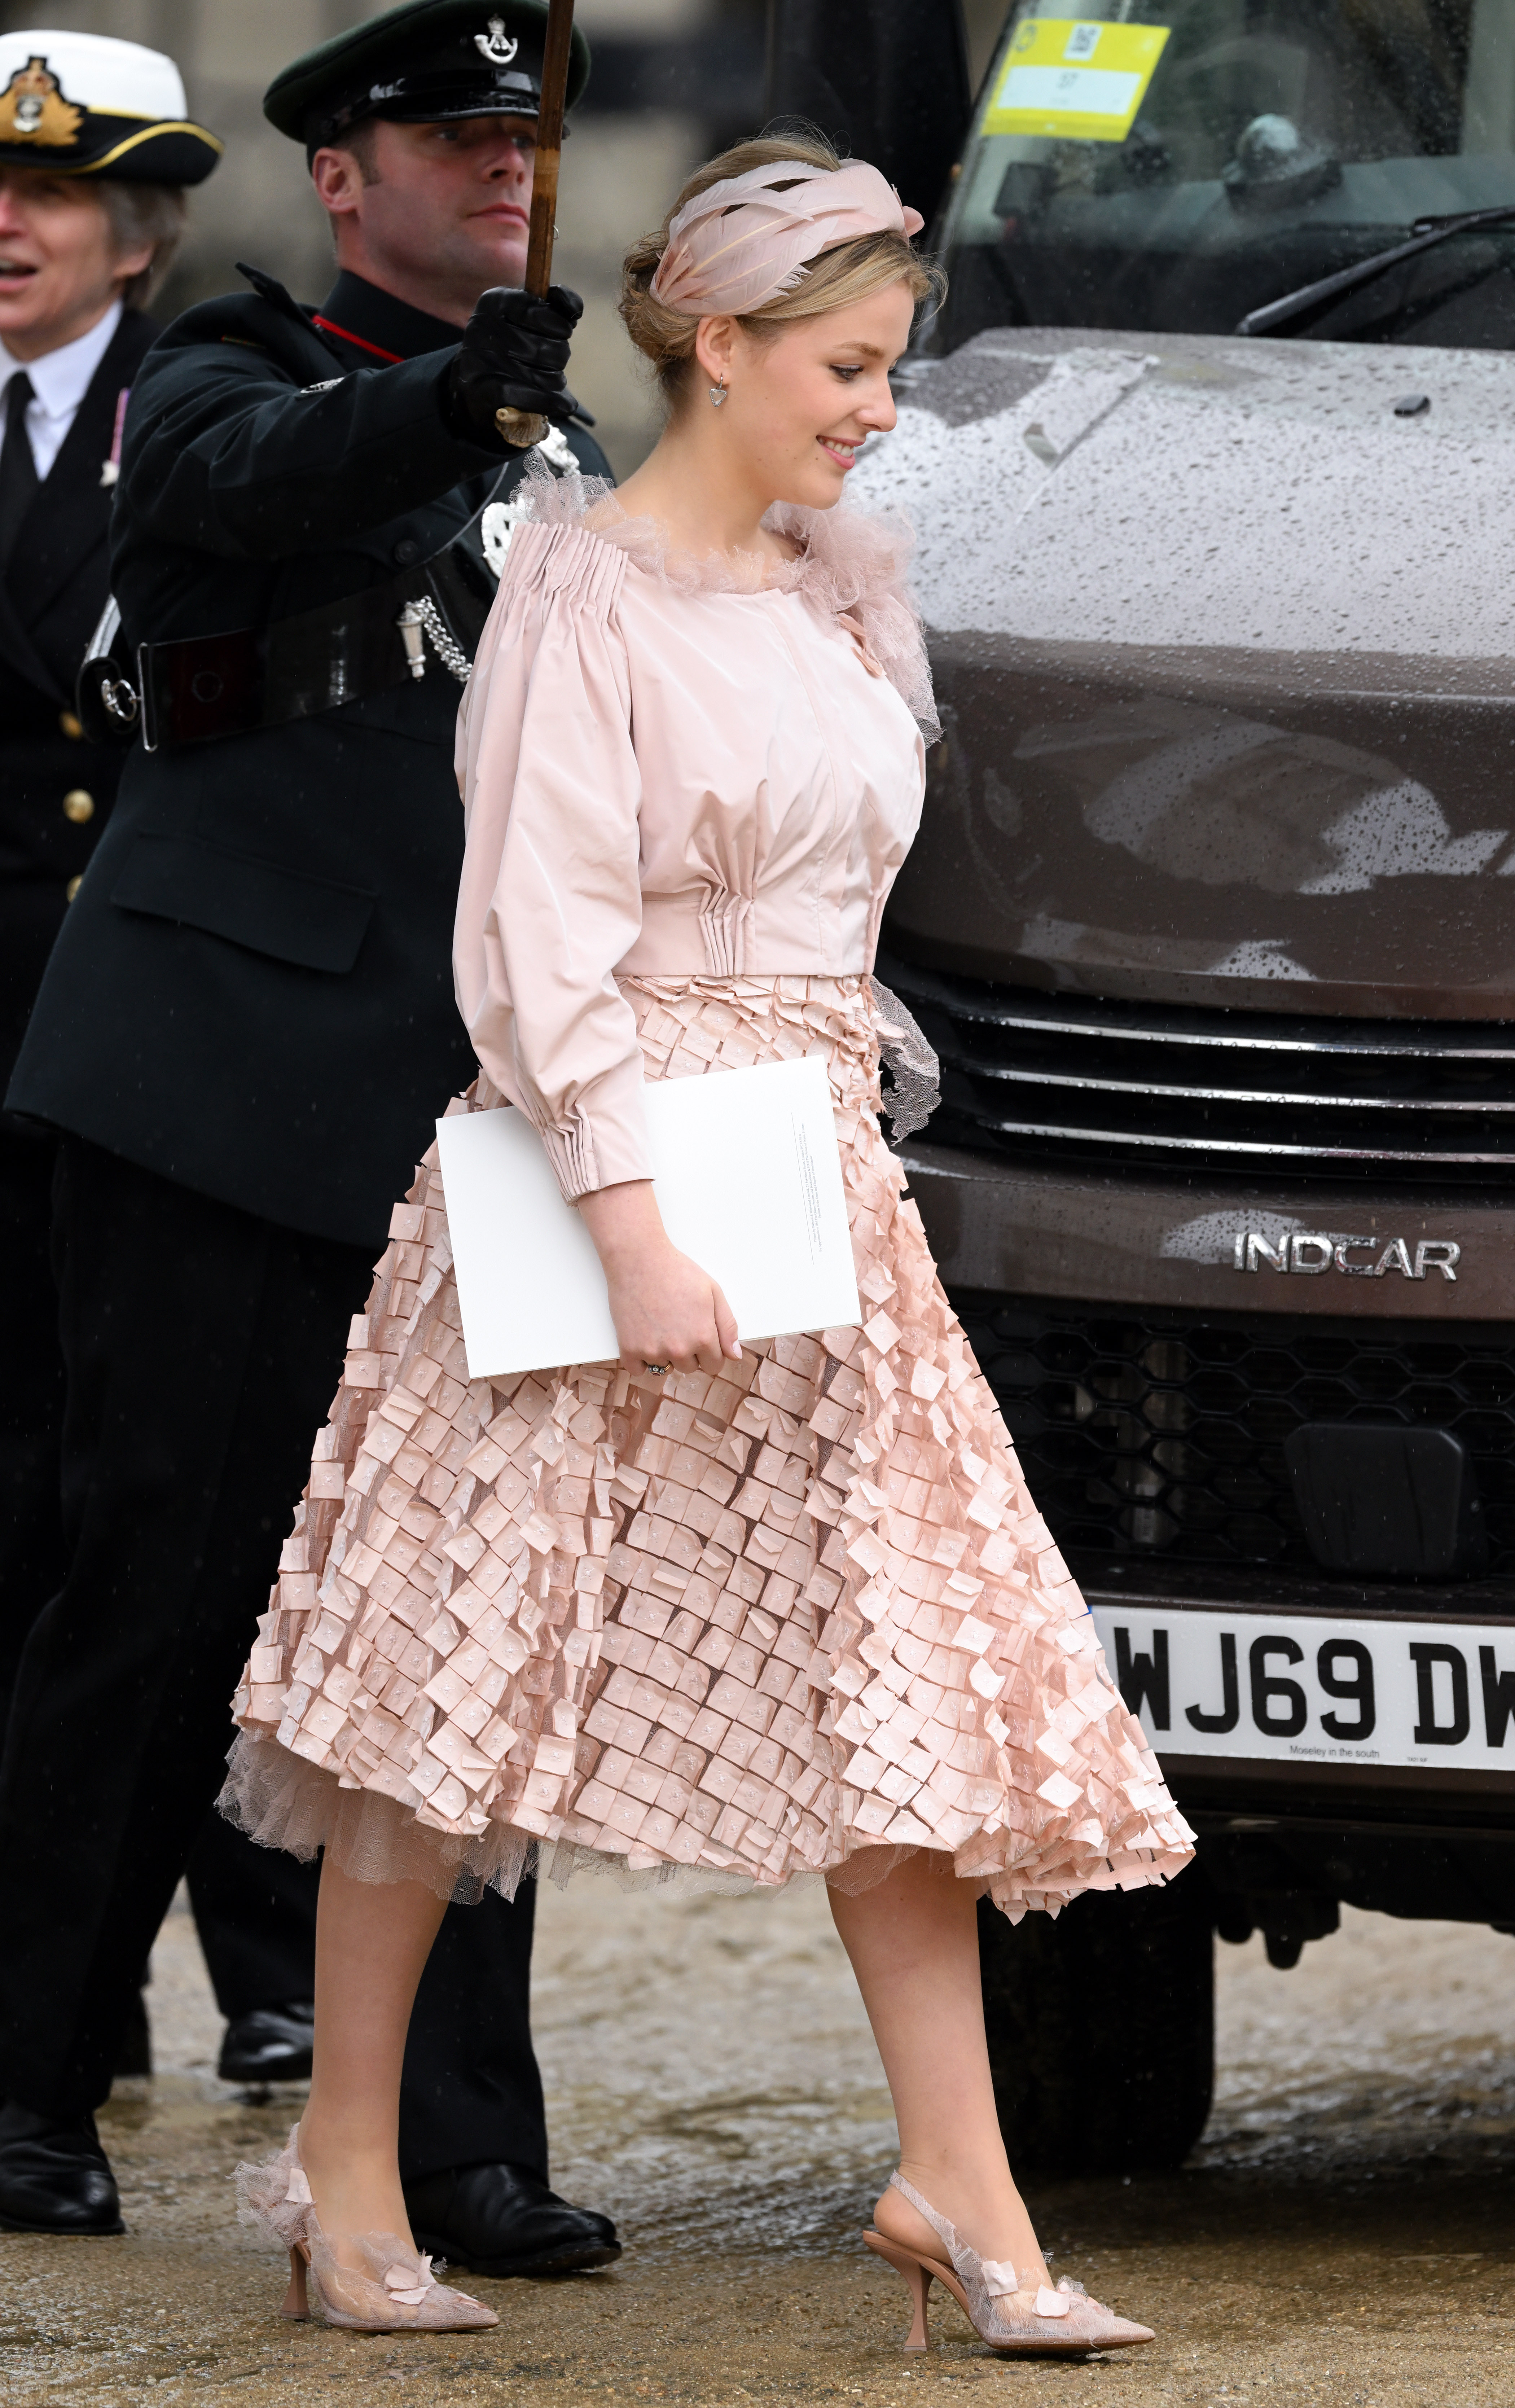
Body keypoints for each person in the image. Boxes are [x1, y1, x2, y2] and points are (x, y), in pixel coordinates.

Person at [221, 133, 1196, 2345]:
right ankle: (346, 2172)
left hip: (817, 1178)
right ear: (720, 346)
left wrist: (811, 1152)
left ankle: (964, 2190)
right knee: (440, 1699)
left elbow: (846, 909)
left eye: (887, 366)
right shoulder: (575, 594)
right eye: (847, 364)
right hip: (608, 1184)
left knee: (914, 1688)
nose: (875, 406)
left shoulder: (843, 576)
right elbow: (534, 942)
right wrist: (632, 1214)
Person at [0, 0, 618, 2277]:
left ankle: (458, 2138)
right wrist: (456, 402)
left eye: (515, 128)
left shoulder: (569, 428)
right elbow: (233, 499)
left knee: (462, 1632)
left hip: (465, 1111)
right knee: (154, 1587)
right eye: (447, 136)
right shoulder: (236, 370)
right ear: (339, 175)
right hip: (215, 1081)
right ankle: (23, 2066)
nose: (498, 163)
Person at [0, 19, 334, 2106]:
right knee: (18, 1505)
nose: (1, 232)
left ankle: (268, 1956)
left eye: (41, 198)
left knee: (197, 1498)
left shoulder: (213, 408)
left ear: (135, 231)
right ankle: (58, 1984)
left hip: (151, 1035)